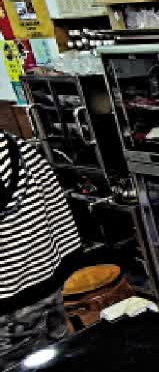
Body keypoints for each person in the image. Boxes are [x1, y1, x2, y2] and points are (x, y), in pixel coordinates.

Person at [0, 131, 81, 369]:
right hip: (44, 278)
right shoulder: (16, 144)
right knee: (59, 353)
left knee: (21, 365)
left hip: (12, 295)